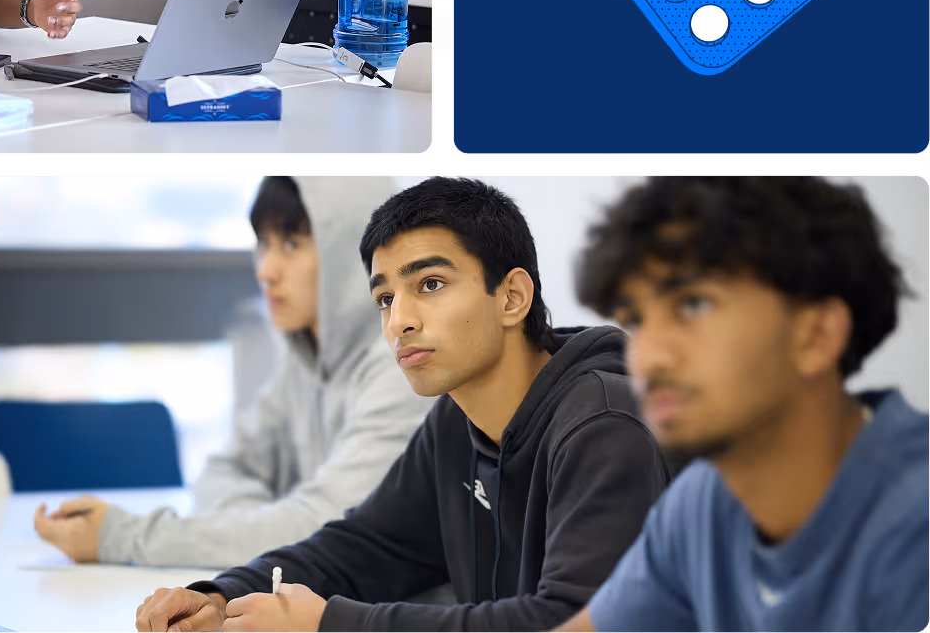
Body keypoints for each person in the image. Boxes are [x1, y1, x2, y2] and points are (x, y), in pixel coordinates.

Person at [134, 175, 930, 633]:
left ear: (816, 332)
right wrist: (223, 593)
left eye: (692, 309)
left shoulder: (907, 516)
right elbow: (367, 547)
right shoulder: (705, 507)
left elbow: (555, 616)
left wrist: (328, 626)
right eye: (384, 298)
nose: (400, 317)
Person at [36, 176, 439, 578]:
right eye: (263, 243)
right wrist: (262, 527)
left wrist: (121, 537)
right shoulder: (304, 359)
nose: (266, 270)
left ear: (355, 253)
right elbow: (221, 470)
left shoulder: (405, 369)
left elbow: (330, 535)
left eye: (292, 244)